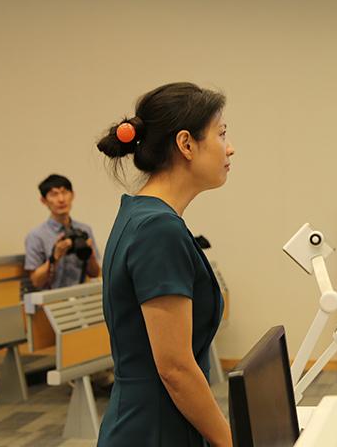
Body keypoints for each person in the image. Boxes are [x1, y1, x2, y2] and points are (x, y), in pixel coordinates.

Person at [95, 82, 234, 447]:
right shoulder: (158, 229)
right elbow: (175, 368)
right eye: (221, 134)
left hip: (154, 419)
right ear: (186, 144)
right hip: (153, 429)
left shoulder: (143, 215)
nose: (229, 147)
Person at [24, 174, 101, 290]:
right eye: (54, 194)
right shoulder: (36, 236)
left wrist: (90, 255)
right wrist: (54, 257)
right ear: (43, 200)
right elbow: (36, 282)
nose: (61, 199)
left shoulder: (84, 230)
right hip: (51, 301)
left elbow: (95, 273)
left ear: (72, 195)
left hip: (81, 298)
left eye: (64, 192)